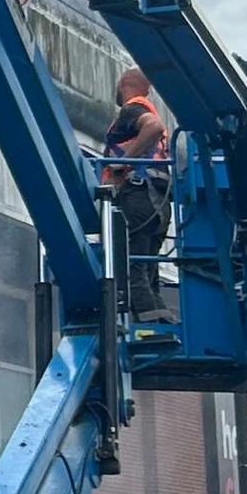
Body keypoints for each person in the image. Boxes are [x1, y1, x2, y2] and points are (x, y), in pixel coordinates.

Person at [100, 71, 174, 317]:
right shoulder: (148, 111)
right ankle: (161, 321)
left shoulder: (132, 111)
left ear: (122, 85)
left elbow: (153, 127)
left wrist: (123, 163)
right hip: (159, 203)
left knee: (131, 267)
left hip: (139, 195)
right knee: (147, 271)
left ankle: (148, 329)